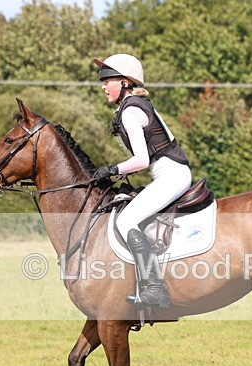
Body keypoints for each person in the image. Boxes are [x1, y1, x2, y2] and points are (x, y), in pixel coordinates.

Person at [93, 53, 192, 308]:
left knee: (126, 220)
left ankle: (155, 289)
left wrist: (112, 169)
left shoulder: (131, 111)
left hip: (171, 174)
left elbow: (142, 160)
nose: (103, 85)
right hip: (168, 172)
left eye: (107, 79)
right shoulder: (134, 105)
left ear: (124, 82)